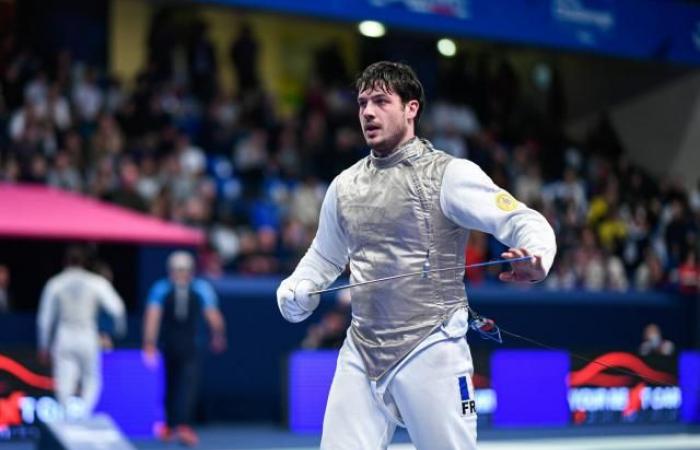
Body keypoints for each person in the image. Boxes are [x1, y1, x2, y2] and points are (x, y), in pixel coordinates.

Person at [276, 61, 557, 450]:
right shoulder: (345, 185)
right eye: (362, 103)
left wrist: (538, 257)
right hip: (362, 351)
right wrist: (298, 288)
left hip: (433, 346)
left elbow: (521, 219)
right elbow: (324, 257)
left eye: (380, 101)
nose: (368, 112)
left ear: (411, 108)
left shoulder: (448, 175)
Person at [142, 251, 227, 447]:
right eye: (177, 270)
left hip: (191, 345)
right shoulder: (161, 289)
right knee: (170, 384)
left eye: (184, 270)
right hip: (169, 345)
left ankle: (184, 425)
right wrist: (149, 343)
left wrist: (218, 335)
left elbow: (212, 315)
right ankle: (170, 425)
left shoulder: (200, 288)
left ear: (191, 270)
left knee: (188, 386)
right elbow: (153, 316)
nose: (180, 274)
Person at [37, 245, 126, 416]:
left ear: (65, 262)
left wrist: (43, 345)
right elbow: (118, 309)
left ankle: (68, 418)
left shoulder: (55, 283)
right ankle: (83, 415)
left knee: (64, 379)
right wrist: (118, 332)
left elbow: (44, 319)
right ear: (85, 263)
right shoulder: (95, 282)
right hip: (87, 335)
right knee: (92, 379)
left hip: (65, 336)